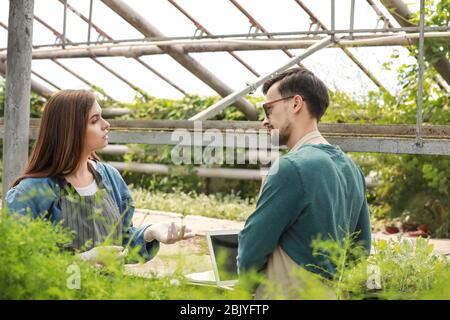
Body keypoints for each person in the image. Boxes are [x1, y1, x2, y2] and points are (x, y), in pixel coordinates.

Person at [6, 90, 194, 265]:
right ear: (70, 130)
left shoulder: (110, 177)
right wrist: (85, 260)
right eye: (95, 120)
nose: (106, 124)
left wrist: (149, 233)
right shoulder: (30, 192)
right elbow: (21, 263)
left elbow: (122, 242)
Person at [237, 68, 371, 298]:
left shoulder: (291, 167)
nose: (264, 121)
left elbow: (252, 248)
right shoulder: (351, 169)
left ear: (296, 103)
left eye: (269, 109)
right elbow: (361, 247)